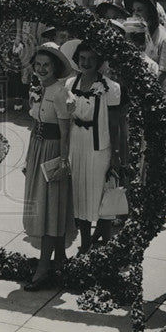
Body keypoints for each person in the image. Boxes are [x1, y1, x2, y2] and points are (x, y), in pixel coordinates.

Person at [21, 43, 76, 291]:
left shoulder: (61, 92)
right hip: (37, 149)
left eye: (47, 65)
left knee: (50, 208)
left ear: (55, 67)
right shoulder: (38, 89)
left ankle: (44, 268)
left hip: (54, 151)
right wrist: (28, 158)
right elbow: (36, 123)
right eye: (38, 65)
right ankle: (59, 263)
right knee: (42, 206)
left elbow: (66, 132)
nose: (42, 69)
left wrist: (64, 162)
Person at [59, 40, 122, 254]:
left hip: (99, 148)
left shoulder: (111, 88)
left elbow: (115, 125)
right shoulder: (70, 84)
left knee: (99, 194)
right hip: (77, 145)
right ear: (77, 60)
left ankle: (104, 241)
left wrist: (115, 154)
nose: (86, 63)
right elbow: (66, 119)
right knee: (79, 194)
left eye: (91, 59)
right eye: (82, 59)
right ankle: (85, 242)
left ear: (99, 62)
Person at [124, 0, 166, 96]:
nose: (135, 14)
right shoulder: (132, 32)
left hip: (154, 91)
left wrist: (145, 90)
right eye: (133, 10)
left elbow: (163, 71)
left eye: (140, 10)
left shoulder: (165, 37)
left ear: (149, 11)